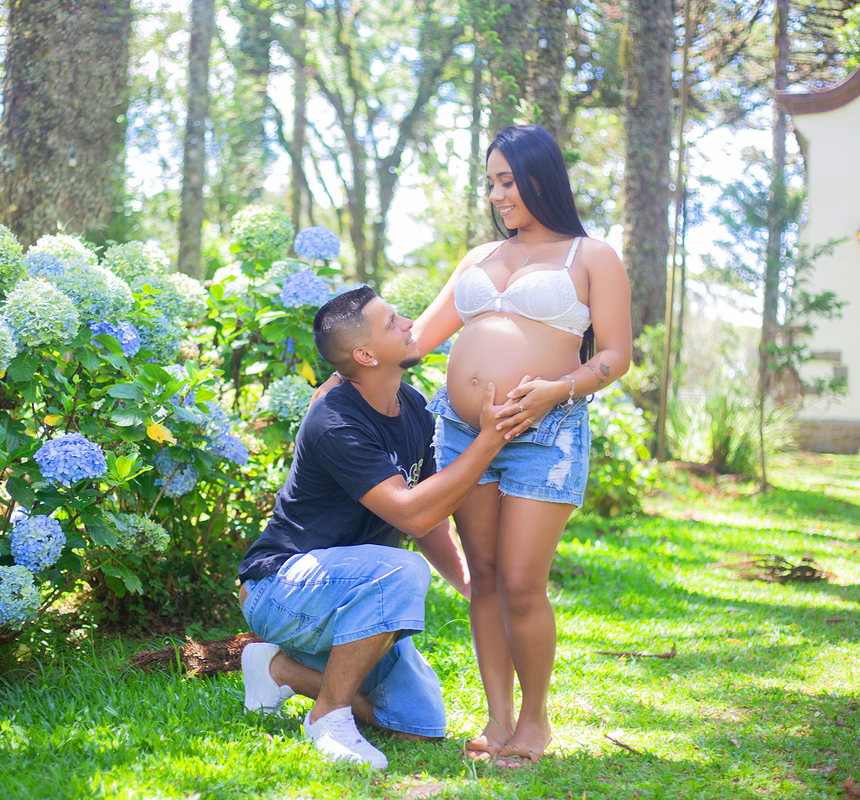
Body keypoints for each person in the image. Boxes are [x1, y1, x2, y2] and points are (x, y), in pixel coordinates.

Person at [411, 124, 633, 767]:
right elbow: (421, 338)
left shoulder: (591, 257)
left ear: (542, 177)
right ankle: (498, 717)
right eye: (491, 183)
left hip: (546, 432)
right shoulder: (477, 259)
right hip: (461, 434)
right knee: (482, 578)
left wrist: (557, 390)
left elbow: (616, 356)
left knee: (521, 582)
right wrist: (348, 367)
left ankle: (535, 720)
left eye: (507, 181)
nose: (497, 196)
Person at [237, 286, 530, 770]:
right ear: (365, 354)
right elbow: (410, 513)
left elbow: (430, 514)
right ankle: (327, 717)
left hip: (355, 591)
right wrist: (490, 440)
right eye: (393, 322)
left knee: (419, 725)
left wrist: (471, 583)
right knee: (402, 571)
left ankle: (277, 669)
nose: (411, 323)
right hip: (279, 587)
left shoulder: (412, 406)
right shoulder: (334, 421)